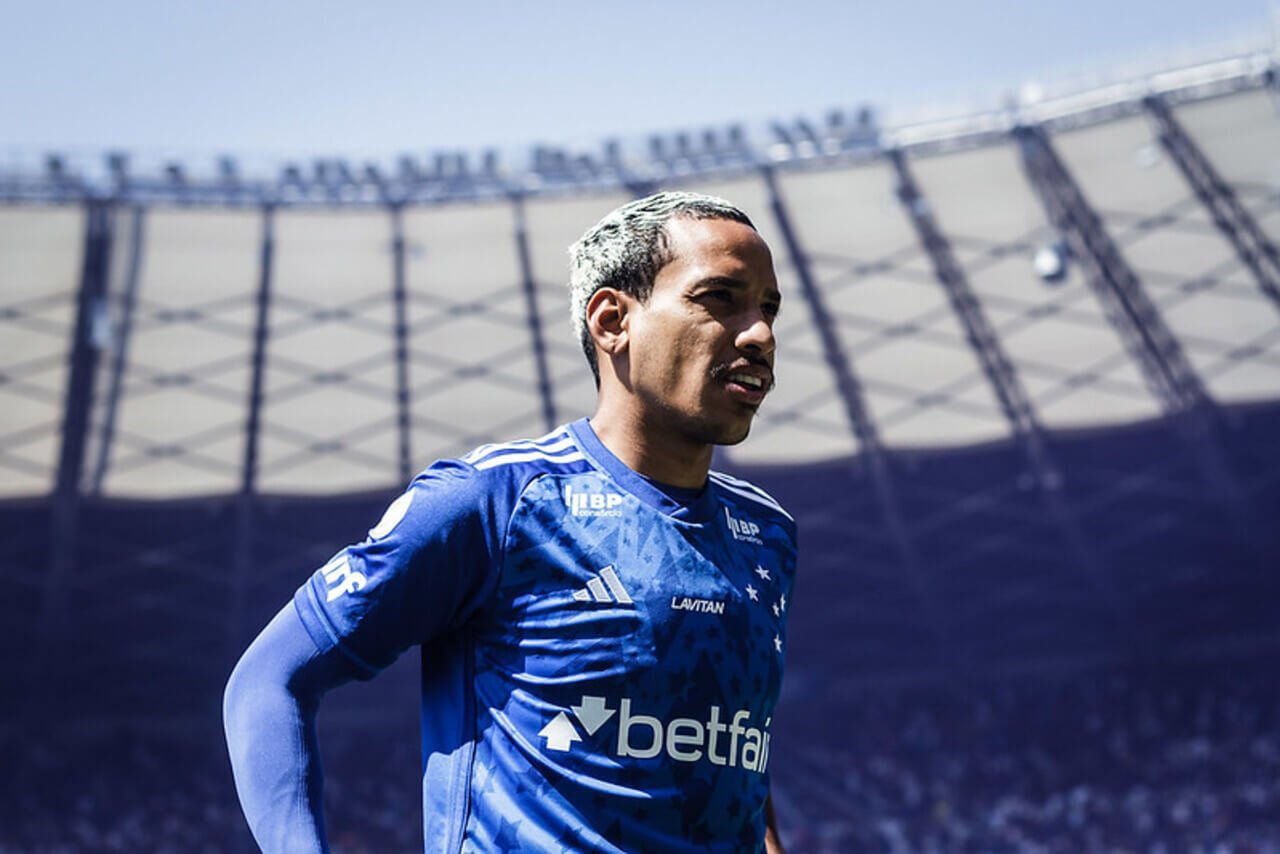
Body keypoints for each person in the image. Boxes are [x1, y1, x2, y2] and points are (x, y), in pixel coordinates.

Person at [224, 191, 797, 853]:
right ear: (613, 321)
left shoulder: (768, 533)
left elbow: (734, 751)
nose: (760, 334)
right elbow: (268, 680)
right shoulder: (497, 501)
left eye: (769, 308)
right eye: (720, 298)